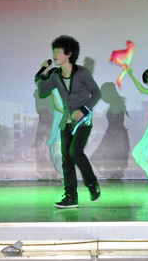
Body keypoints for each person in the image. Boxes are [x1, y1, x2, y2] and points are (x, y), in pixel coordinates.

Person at [36, 35, 101, 209]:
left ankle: (92, 183)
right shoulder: (55, 75)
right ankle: (71, 196)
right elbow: (42, 91)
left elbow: (97, 94)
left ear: (69, 54)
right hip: (66, 122)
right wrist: (43, 74)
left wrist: (83, 110)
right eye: (54, 51)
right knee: (66, 160)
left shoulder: (82, 73)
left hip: (83, 121)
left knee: (75, 152)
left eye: (58, 51)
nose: (54, 54)